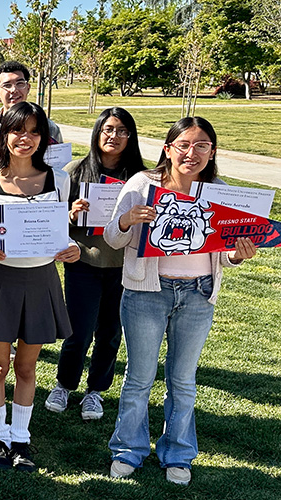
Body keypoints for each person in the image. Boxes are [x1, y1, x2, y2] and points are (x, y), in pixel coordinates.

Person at [105, 117, 255, 486]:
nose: (192, 153)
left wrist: (238, 254)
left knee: (183, 381)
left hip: (198, 294)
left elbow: (224, 254)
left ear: (212, 151)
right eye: (184, 145)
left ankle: (178, 454)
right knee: (139, 379)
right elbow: (112, 238)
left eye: (202, 145)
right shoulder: (142, 184)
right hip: (147, 292)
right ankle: (128, 450)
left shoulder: (218, 191)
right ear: (168, 149)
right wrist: (126, 220)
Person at [0, 102, 79, 472]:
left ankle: (21, 440)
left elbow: (63, 232)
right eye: (17, 131)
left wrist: (72, 248)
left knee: (28, 368)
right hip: (0, 280)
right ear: (4, 135)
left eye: (33, 132)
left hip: (41, 280)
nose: (25, 139)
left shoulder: (59, 180)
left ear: (43, 138)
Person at [44, 107, 146, 421]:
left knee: (110, 332)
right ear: (97, 133)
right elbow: (49, 220)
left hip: (123, 265)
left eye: (122, 131)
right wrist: (71, 214)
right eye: (108, 129)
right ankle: (64, 384)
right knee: (78, 330)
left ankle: (96, 391)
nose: (114, 136)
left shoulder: (142, 178)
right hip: (84, 262)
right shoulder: (74, 171)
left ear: (131, 137)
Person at [0, 61, 63, 144]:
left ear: (28, 88)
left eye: (20, 84)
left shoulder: (49, 128)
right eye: (7, 85)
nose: (14, 90)